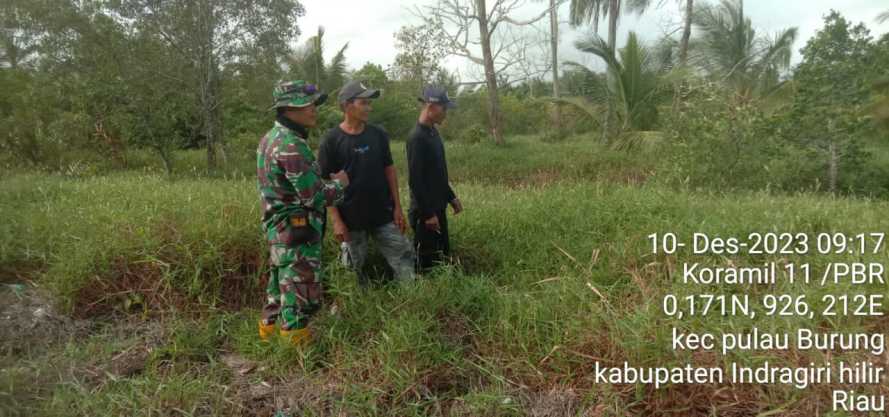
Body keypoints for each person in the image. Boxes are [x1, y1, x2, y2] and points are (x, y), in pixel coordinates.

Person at [256, 80, 349, 346]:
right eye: (308, 105)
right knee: (299, 294)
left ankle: (269, 343)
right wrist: (340, 183)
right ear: (289, 109)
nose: (313, 110)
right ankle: (297, 356)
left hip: (279, 230)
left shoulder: (269, 139)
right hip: (296, 231)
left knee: (278, 291)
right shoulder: (291, 144)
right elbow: (315, 195)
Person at [318, 80, 415, 284]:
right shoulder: (331, 139)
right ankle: (355, 306)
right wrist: (336, 220)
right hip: (350, 218)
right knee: (351, 268)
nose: (369, 108)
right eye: (364, 103)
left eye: (369, 103)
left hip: (383, 214)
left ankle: (411, 299)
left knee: (404, 256)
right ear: (347, 105)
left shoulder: (377, 134)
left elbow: (389, 170)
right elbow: (325, 181)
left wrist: (397, 207)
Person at [407, 85, 462, 271]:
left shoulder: (433, 133)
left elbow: (438, 173)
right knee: (427, 263)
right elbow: (416, 180)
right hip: (425, 212)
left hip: (438, 207)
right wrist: (428, 214)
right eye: (443, 108)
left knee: (442, 254)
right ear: (430, 107)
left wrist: (451, 197)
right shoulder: (417, 138)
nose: (445, 113)